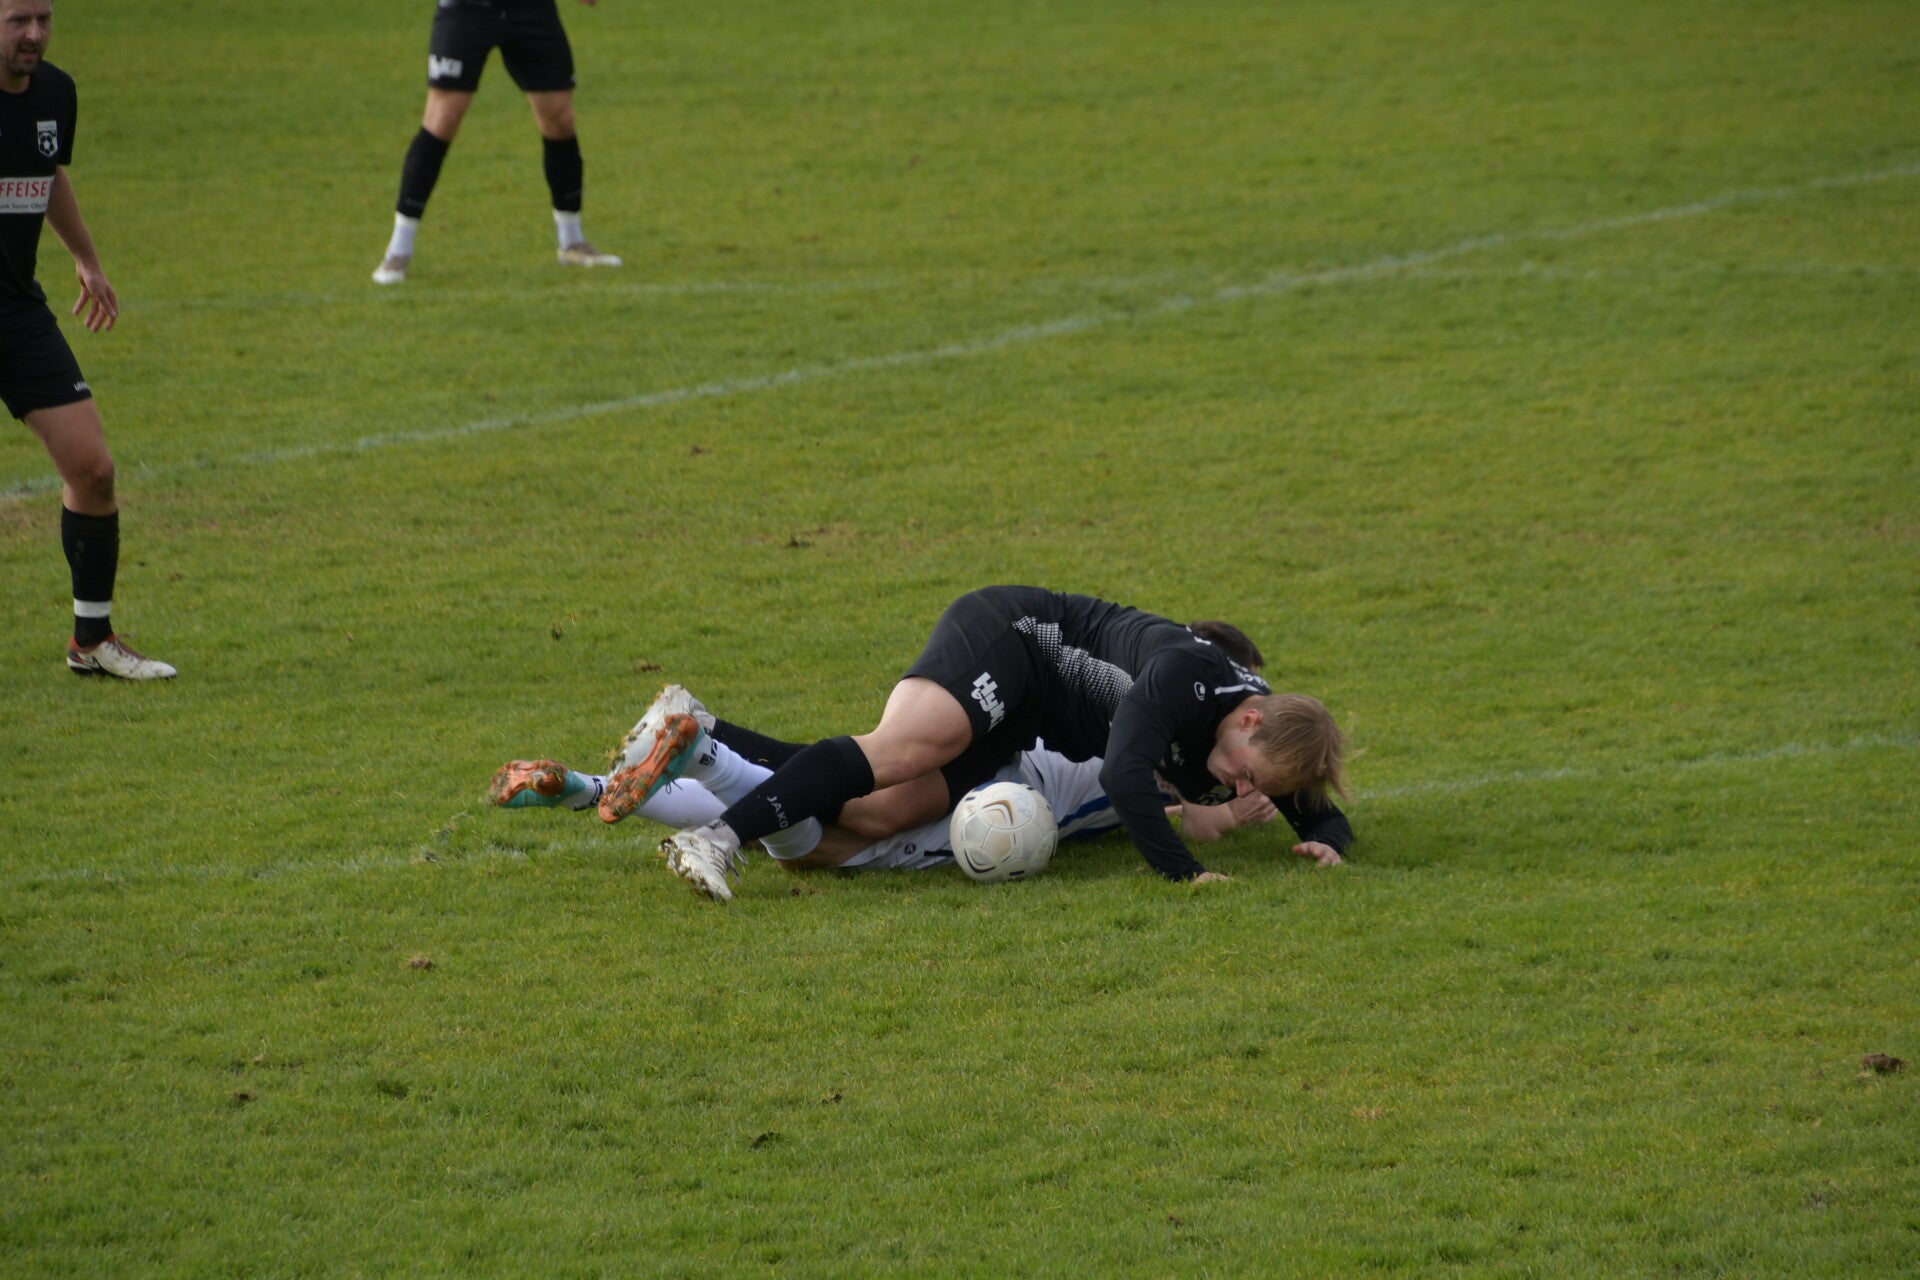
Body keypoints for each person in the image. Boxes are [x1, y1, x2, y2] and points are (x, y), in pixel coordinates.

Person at [605, 590, 1353, 901]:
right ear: (1249, 718)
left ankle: (702, 732)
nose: (1241, 787)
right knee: (898, 752)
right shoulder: (1184, 677)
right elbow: (1126, 774)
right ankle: (718, 838)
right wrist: (1186, 874)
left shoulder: (1259, 734)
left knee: (881, 810)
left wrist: (1328, 839)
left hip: (1024, 722)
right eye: (1245, 773)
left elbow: (1307, 797)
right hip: (1014, 639)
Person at [486, 685, 1289, 892]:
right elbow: (1182, 819)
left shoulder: (1133, 711)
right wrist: (1227, 821)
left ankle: (587, 785)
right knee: (832, 842)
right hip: (1005, 797)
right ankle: (705, 748)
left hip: (1008, 759)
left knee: (829, 789)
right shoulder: (1162, 752)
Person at [0, 0, 174, 679]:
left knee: (93, 469)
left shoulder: (55, 93)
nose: (34, 34)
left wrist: (87, 259)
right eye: (18, 20)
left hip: (17, 313)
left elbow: (45, 175)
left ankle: (92, 640)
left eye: (43, 19)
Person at [372, 0, 621, 285]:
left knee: (560, 118)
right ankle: (398, 250)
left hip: (529, 8)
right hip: (468, 8)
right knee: (443, 119)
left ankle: (572, 242)